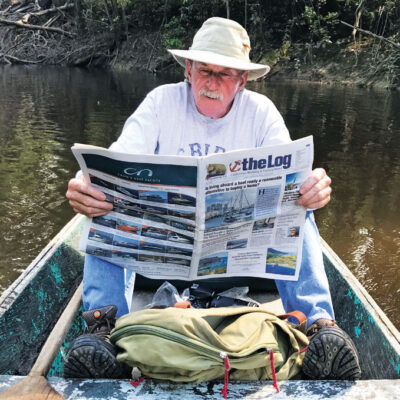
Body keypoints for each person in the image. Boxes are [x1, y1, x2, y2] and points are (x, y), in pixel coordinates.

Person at [64, 17, 361, 381]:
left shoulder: (261, 113)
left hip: (242, 263)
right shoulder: (160, 103)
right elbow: (115, 159)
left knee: (299, 207)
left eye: (225, 74)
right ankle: (103, 330)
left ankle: (318, 328)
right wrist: (84, 186)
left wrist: (313, 188)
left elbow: (296, 177)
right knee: (105, 204)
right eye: (204, 70)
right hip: (158, 262)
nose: (212, 82)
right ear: (188, 69)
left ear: (242, 80)